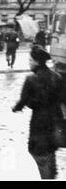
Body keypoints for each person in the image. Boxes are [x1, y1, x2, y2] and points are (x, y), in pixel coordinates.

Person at [13, 45, 64, 179]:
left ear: (36, 62)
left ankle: (48, 175)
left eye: (30, 60)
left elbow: (22, 101)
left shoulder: (31, 79)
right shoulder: (57, 77)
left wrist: (16, 108)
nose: (29, 63)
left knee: (39, 152)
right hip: (55, 121)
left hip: (39, 123)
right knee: (50, 148)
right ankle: (50, 173)